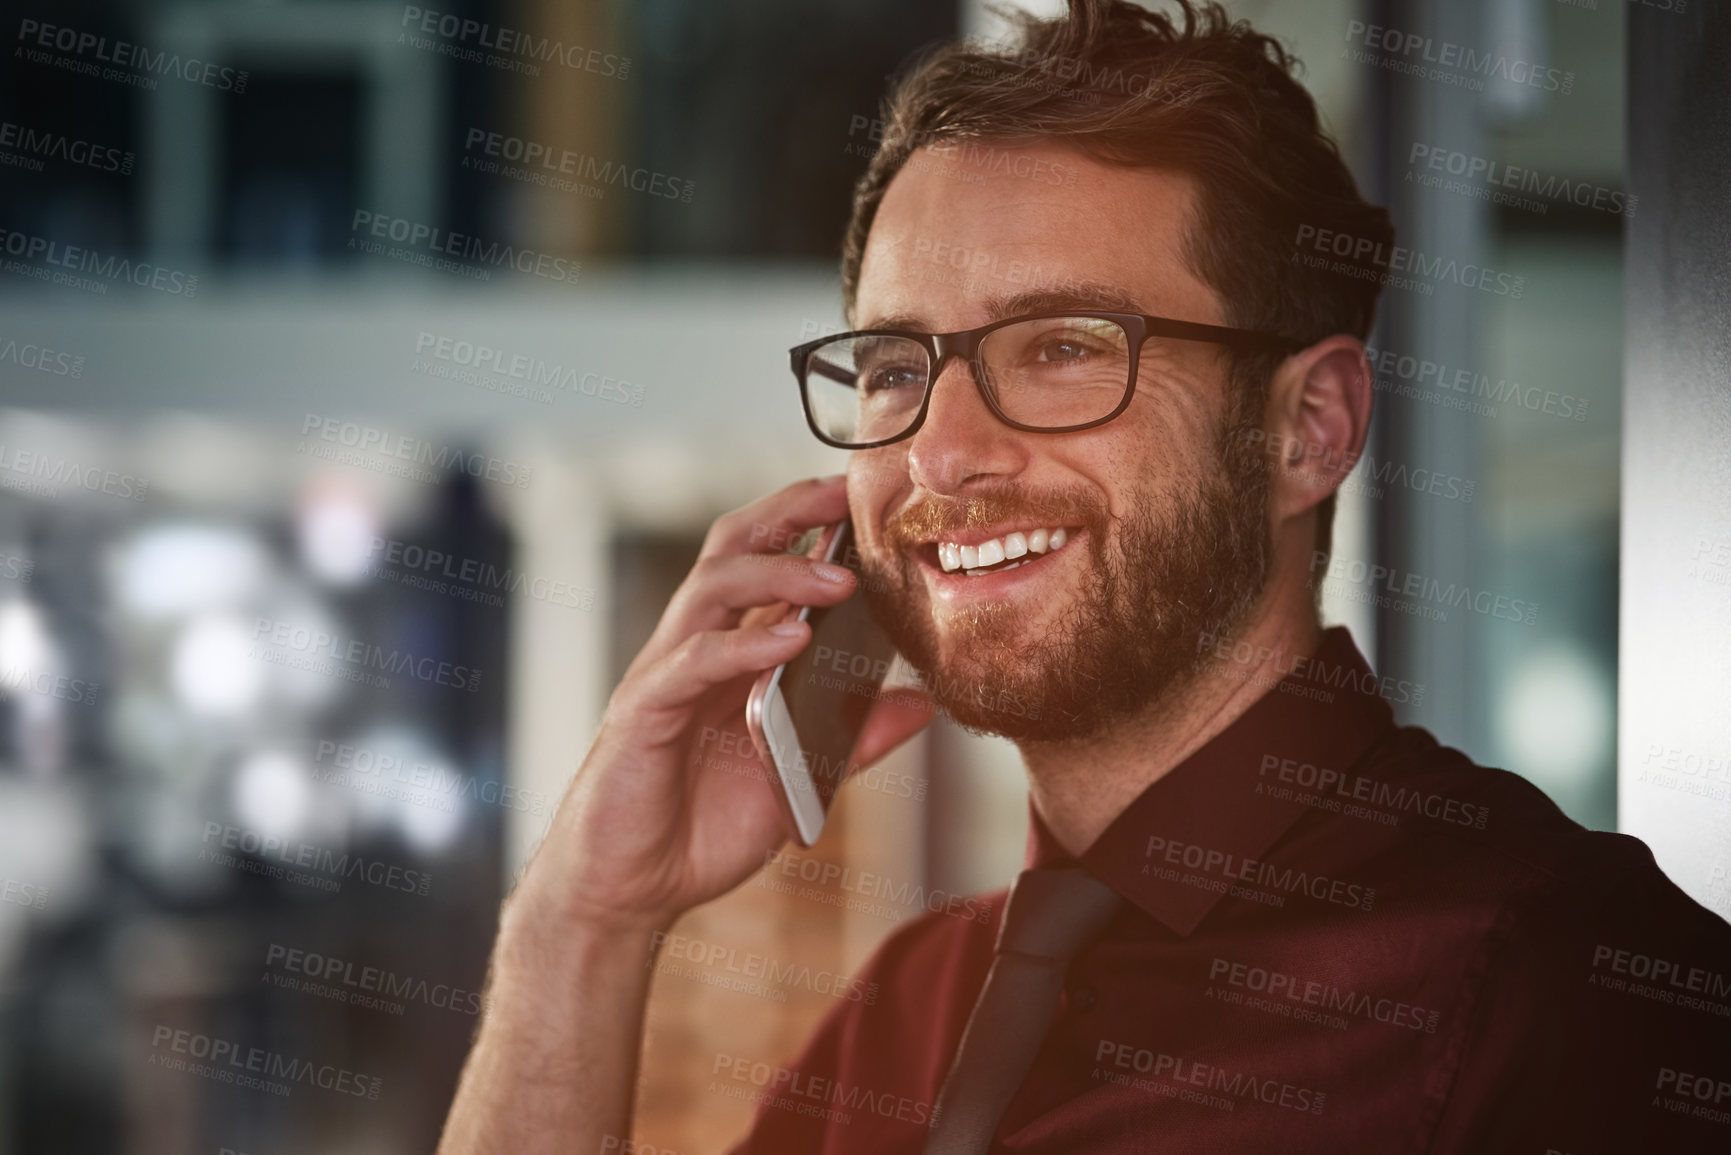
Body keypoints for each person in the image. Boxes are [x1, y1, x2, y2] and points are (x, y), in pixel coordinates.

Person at [437, 2, 1731, 1152]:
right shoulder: (901, 1017)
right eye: (894, 368)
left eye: (1062, 347)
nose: (943, 452)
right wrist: (584, 924)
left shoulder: (1572, 992)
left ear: (1311, 428)